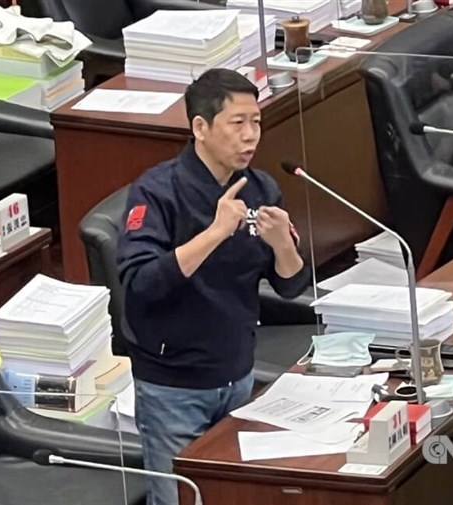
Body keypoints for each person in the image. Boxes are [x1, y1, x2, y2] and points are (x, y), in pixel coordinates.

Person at [116, 68, 310, 505]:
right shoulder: (156, 191)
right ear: (200, 128)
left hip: (238, 373)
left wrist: (283, 244)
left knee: (233, 495)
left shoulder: (261, 188)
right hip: (173, 386)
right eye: (237, 123)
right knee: (179, 500)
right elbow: (142, 283)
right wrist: (216, 232)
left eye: (256, 122)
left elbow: (292, 284)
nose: (250, 136)